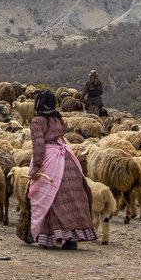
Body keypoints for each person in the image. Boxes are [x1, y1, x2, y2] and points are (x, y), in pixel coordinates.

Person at [24, 90, 96, 248]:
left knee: (48, 195)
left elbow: (38, 144)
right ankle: (71, 239)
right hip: (67, 158)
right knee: (72, 194)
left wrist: (36, 166)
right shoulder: (58, 119)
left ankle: (49, 237)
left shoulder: (37, 121)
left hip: (50, 159)